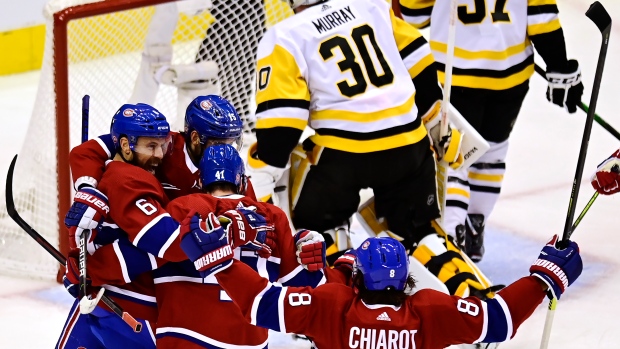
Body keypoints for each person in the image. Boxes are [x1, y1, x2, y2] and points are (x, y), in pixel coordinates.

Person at [246, 0, 482, 295]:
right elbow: (418, 58)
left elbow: (284, 123)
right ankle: (474, 304)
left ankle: (336, 297)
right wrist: (435, 119)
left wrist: (263, 171)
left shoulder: (284, 34)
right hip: (408, 147)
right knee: (420, 230)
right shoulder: (370, 5)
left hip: (342, 158)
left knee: (319, 216)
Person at [180, 218, 583, 349]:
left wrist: (220, 264)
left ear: (356, 280)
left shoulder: (332, 305)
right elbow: (502, 319)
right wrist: (545, 276)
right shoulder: (429, 310)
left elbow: (261, 306)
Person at [398, 0, 584, 262]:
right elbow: (542, 18)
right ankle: (474, 227)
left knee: (452, 155)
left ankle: (450, 239)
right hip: (510, 76)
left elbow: (414, 15)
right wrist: (559, 66)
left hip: (455, 74)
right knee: (493, 152)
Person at [57, 103, 172, 349]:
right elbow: (164, 244)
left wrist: (84, 269)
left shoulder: (109, 176)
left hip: (98, 302)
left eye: (161, 145)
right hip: (130, 311)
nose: (160, 155)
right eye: (151, 146)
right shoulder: (128, 181)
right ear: (124, 145)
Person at [69, 94, 249, 201]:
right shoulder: (160, 144)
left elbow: (253, 209)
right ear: (195, 138)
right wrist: (87, 190)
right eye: (219, 143)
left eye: (231, 143)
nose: (227, 151)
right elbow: (84, 152)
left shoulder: (232, 165)